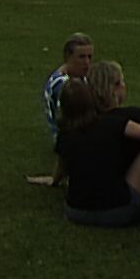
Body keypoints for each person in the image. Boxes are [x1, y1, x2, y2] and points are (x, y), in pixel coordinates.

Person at [54, 70, 140, 226]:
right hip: (119, 211)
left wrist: (53, 180)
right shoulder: (114, 123)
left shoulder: (65, 135)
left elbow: (62, 167)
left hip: (75, 211)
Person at [27, 32, 95, 186]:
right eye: (81, 57)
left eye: (89, 57)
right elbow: (69, 124)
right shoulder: (63, 85)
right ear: (68, 57)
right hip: (68, 139)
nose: (87, 62)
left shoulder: (78, 78)